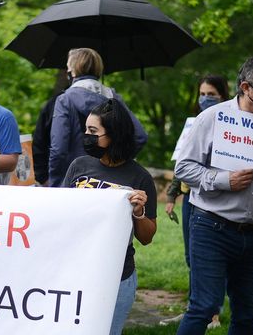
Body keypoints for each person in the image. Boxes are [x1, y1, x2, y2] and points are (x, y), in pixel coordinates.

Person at [174, 57, 253, 335]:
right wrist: (224, 180)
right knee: (203, 307)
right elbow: (183, 167)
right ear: (246, 87)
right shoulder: (212, 118)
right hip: (211, 227)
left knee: (247, 317)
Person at [60, 99, 157, 335]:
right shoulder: (78, 166)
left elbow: (146, 237)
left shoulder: (140, 178)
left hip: (118, 278)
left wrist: (138, 213)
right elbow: (61, 213)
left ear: (113, 134)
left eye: (93, 132)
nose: (86, 136)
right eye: (86, 130)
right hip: (76, 272)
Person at [160, 73, 229, 329]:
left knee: (213, 257)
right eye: (202, 94)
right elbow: (183, 162)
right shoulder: (193, 123)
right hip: (189, 198)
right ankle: (195, 308)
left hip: (212, 200)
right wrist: (172, 194)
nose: (205, 99)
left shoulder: (229, 124)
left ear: (223, 96)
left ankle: (213, 314)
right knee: (193, 257)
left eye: (211, 94)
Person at [47, 48, 147, 186]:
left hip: (76, 180)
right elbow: (140, 136)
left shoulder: (65, 100)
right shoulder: (113, 98)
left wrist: (55, 183)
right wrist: (118, 164)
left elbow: (58, 149)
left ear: (73, 71)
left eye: (68, 68)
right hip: (113, 182)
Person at [31, 70, 70, 186]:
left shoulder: (107, 100)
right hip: (58, 180)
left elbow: (39, 143)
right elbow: (40, 143)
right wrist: (43, 178)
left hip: (58, 179)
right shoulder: (55, 103)